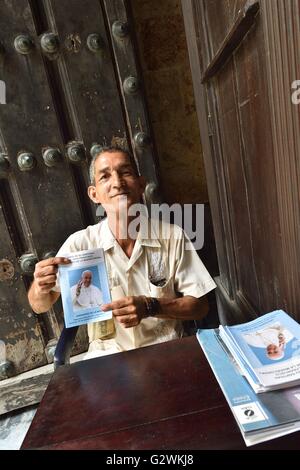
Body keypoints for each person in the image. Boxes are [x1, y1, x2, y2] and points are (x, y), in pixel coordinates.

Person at [28, 145, 216, 356]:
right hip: (106, 359)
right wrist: (40, 286)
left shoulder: (172, 236)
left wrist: (151, 307)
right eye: (105, 177)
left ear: (141, 184)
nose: (117, 183)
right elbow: (39, 305)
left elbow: (200, 306)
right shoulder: (80, 244)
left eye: (125, 172)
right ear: (94, 194)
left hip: (167, 353)